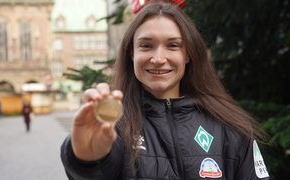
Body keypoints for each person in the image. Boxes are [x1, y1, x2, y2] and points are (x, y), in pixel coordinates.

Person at [60, 1, 270, 179]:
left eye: (173, 45)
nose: (159, 59)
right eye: (146, 45)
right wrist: (87, 159)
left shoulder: (230, 125)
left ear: (188, 54)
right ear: (131, 53)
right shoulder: (114, 127)